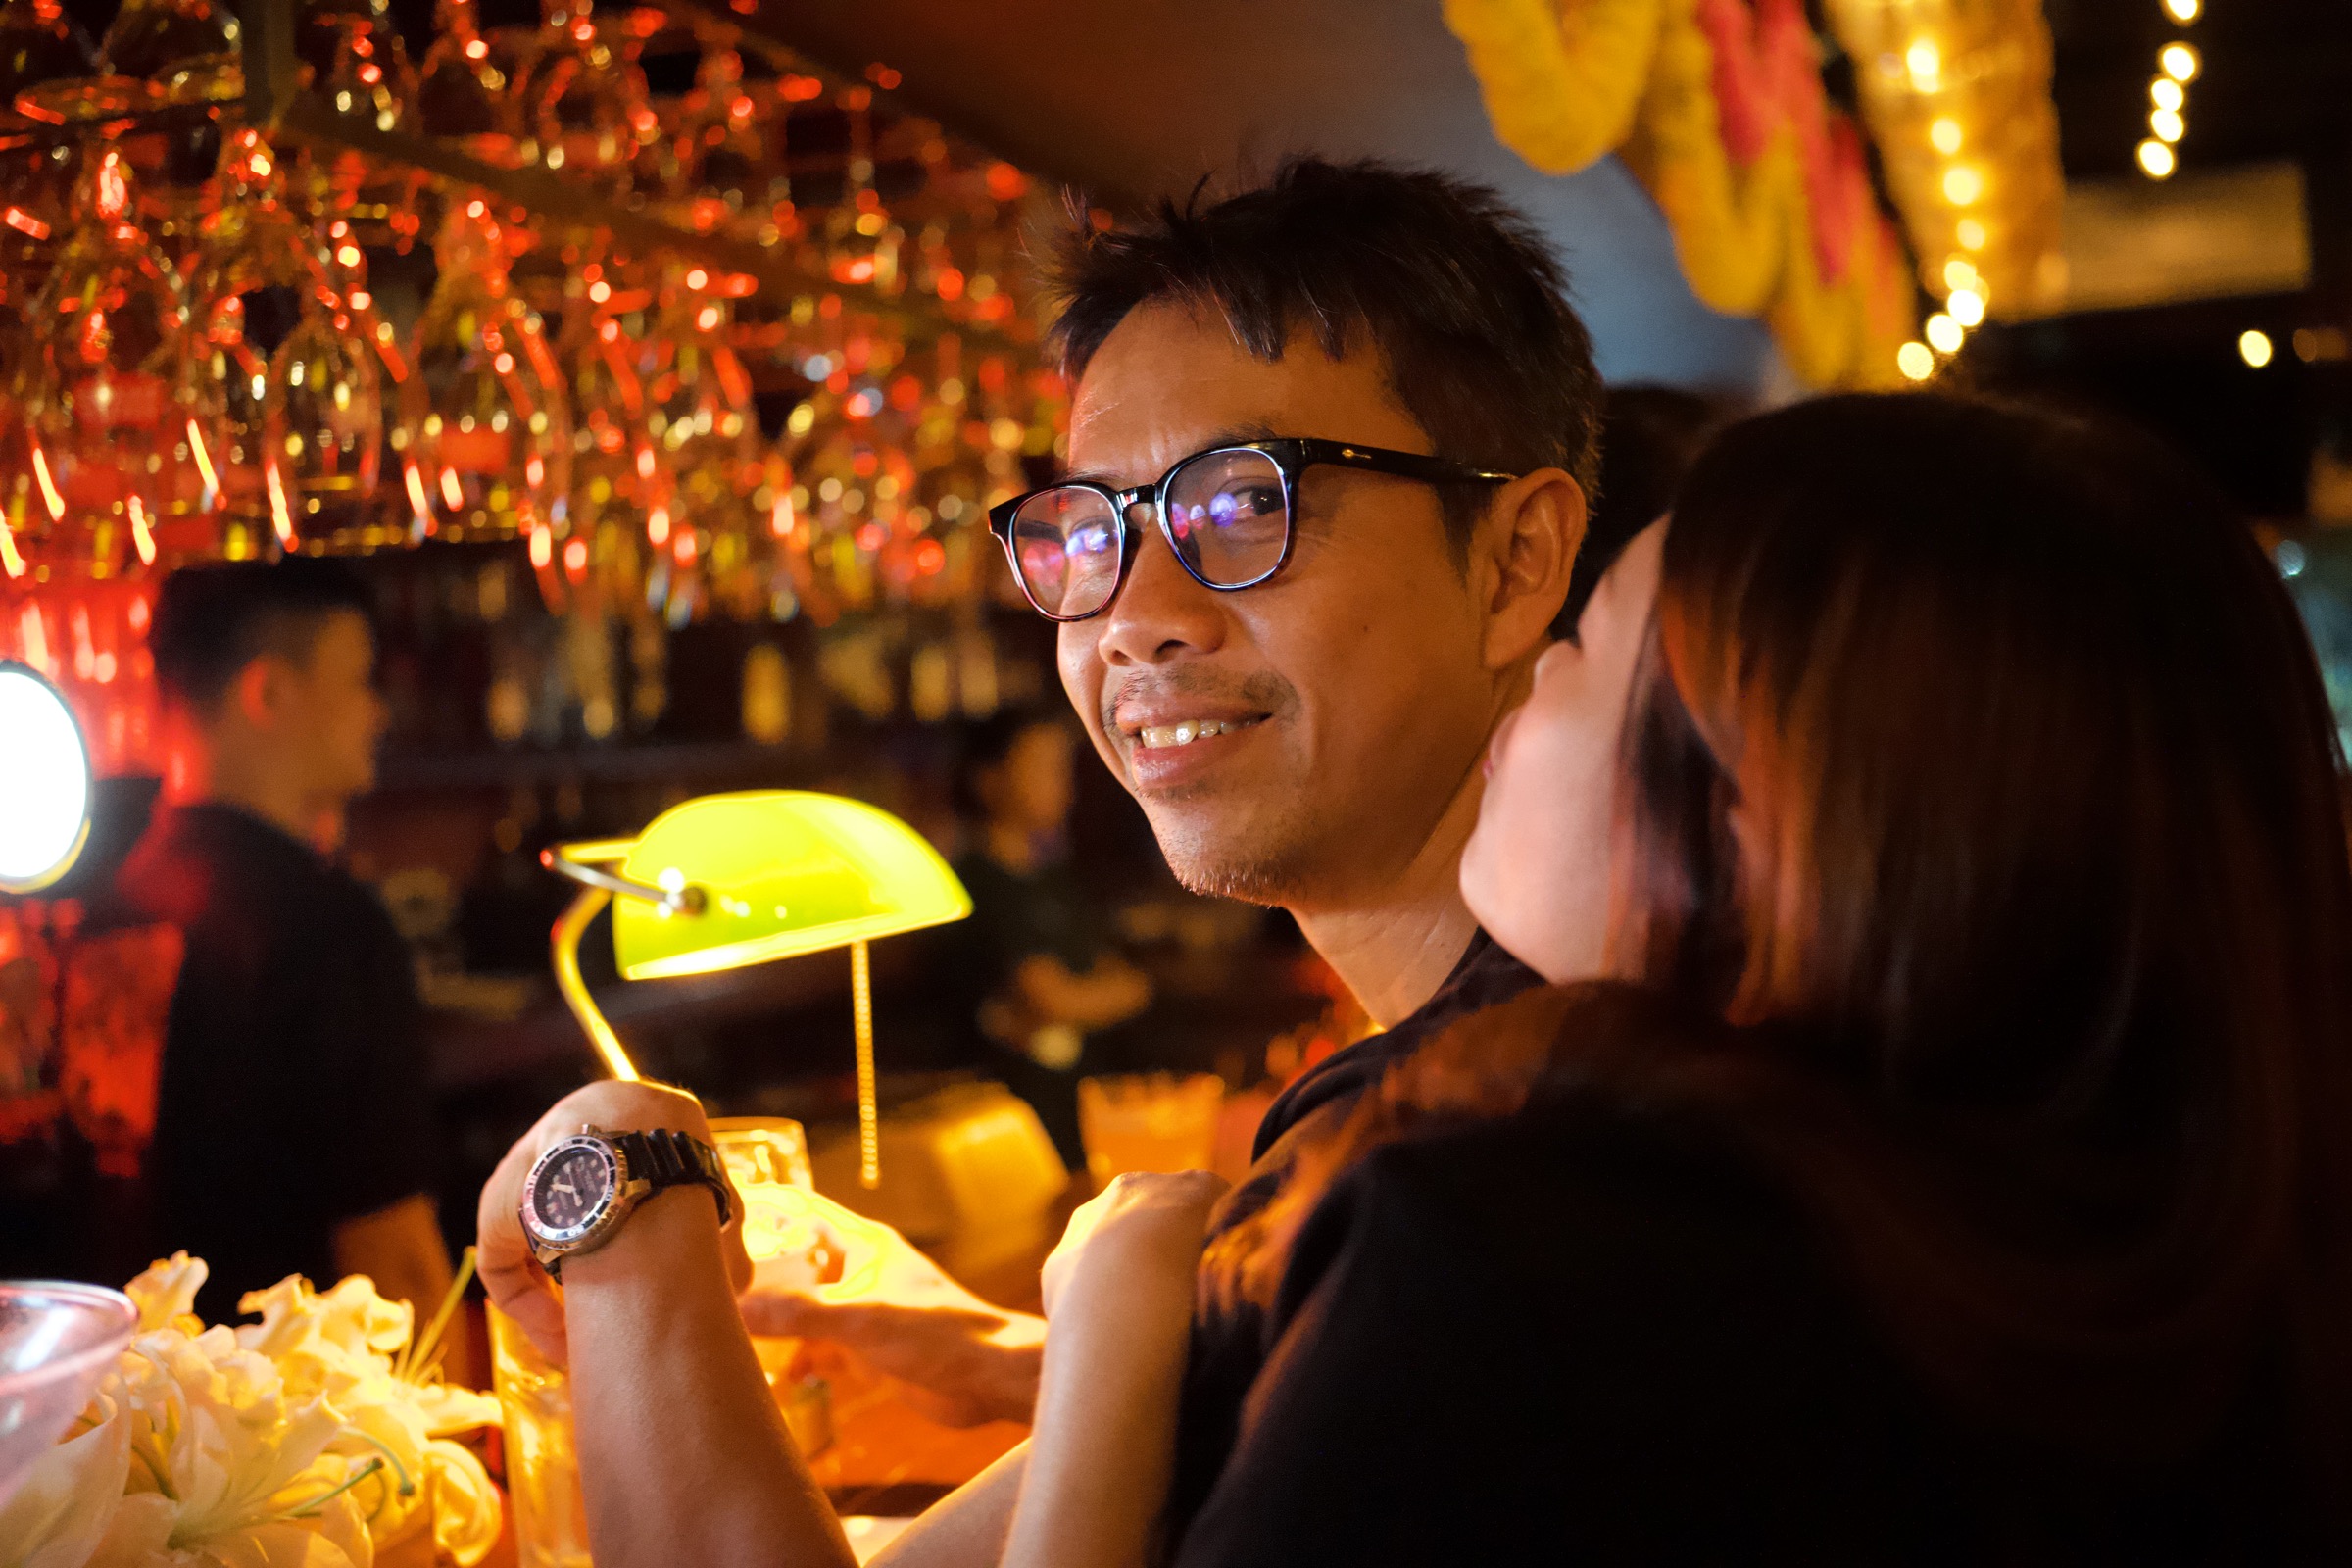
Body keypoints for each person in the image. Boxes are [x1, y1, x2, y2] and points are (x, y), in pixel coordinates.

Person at [473, 155, 1598, 1560]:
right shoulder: (1469, 1080)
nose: (1135, 617)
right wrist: (1042, 1352)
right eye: (1092, 529)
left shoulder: (1483, 1156)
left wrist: (618, 1187)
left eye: (1246, 505)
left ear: (1515, 558)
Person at [1014, 393, 2352, 1562]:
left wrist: (1107, 1349)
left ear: (1767, 815)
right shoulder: (2178, 1300)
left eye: (1585, 645)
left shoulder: (1519, 1269)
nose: (1529, 674)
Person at [102, 559, 460, 1333]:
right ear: (267, 693)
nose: (378, 713)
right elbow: (394, 1264)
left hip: (119, 1420)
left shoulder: (107, 907)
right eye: (360, 680)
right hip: (290, 1425)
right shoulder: (328, 926)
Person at [937, 708, 1152, 1166]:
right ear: (988, 779)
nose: (1062, 786)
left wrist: (1102, 994)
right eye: (1040, 767)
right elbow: (1053, 999)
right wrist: (1100, 996)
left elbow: (1123, 981)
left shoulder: (1052, 880)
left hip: (1078, 1099)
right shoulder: (975, 884)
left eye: (1062, 768)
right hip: (1009, 1117)